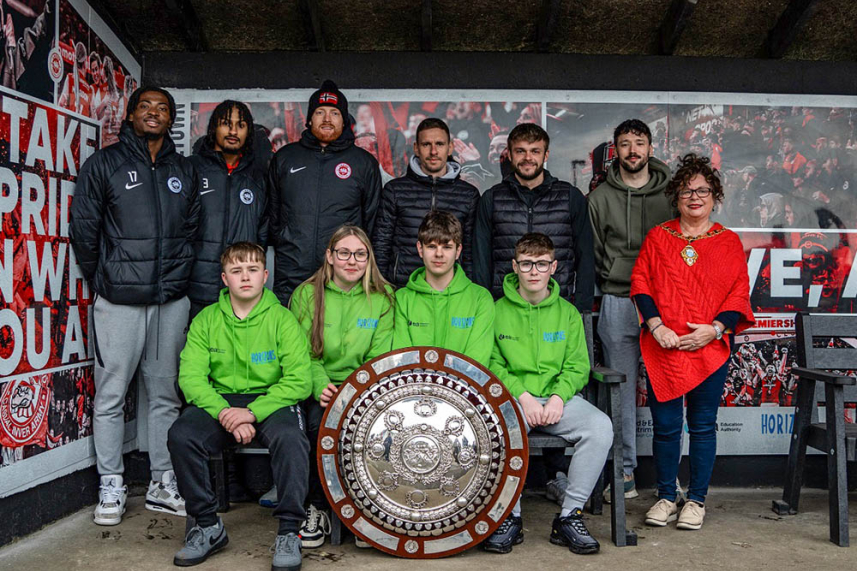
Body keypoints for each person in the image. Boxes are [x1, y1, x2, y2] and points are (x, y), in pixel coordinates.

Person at [70, 86, 200, 525]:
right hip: (120, 301)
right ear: (130, 114)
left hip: (169, 302)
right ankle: (111, 482)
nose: (154, 113)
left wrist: (177, 281)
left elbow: (192, 232)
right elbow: (85, 232)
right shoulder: (104, 164)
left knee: (165, 395)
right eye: (145, 106)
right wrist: (105, 280)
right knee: (111, 395)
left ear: (171, 119)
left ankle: (163, 481)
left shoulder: (182, 169)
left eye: (162, 108)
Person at [168, 242, 311, 569]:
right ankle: (207, 525)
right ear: (224, 278)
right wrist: (225, 413)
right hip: (221, 401)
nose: (244, 277)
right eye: (236, 271)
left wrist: (251, 412)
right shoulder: (206, 320)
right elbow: (190, 378)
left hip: (272, 399)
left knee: (292, 440)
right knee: (182, 435)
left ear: (265, 275)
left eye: (251, 270)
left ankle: (290, 531)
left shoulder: (283, 320)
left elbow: (300, 380)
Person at [631, 154, 753, 531]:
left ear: (714, 195)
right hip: (663, 348)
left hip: (708, 350)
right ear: (676, 196)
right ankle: (667, 496)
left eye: (702, 190)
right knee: (666, 428)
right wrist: (656, 326)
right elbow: (641, 283)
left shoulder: (728, 241)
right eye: (686, 190)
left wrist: (714, 330)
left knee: (703, 426)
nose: (694, 196)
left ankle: (696, 500)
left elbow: (738, 293)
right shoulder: (659, 237)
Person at [485, 233, 612, 555]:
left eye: (541, 264)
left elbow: (578, 366)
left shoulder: (567, 313)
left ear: (553, 267)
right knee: (499, 428)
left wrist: (557, 398)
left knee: (600, 428)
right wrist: (523, 397)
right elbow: (492, 363)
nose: (533, 271)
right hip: (515, 399)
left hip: (561, 401)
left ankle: (570, 516)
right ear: (514, 266)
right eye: (526, 264)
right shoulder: (495, 310)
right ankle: (508, 517)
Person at [288, 225, 394, 548]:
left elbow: (380, 357)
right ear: (330, 257)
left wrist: (355, 393)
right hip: (317, 386)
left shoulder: (383, 298)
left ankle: (365, 510)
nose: (352, 260)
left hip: (364, 390)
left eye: (360, 254)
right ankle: (318, 508)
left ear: (368, 258)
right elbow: (301, 354)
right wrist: (320, 384)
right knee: (318, 427)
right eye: (344, 253)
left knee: (377, 431)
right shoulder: (307, 295)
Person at [587, 119, 673, 500]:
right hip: (618, 300)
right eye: (625, 144)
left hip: (665, 305)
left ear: (650, 149)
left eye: (640, 143)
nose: (632, 150)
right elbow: (592, 252)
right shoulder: (600, 198)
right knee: (618, 395)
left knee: (667, 392)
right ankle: (623, 474)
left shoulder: (672, 195)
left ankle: (670, 479)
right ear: (615, 150)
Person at [267, 79, 381, 304]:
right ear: (310, 118)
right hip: (291, 275)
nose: (327, 119)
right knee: (290, 338)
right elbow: (273, 215)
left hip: (342, 277)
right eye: (320, 112)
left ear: (345, 120)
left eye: (334, 113)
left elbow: (372, 222)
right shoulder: (285, 157)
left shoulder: (363, 163)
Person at [473, 123, 594, 314]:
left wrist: (580, 308)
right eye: (520, 151)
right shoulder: (492, 199)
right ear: (510, 155)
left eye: (535, 151)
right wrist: (485, 308)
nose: (528, 158)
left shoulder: (571, 197)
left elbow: (586, 257)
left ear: (545, 155)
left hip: (558, 308)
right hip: (504, 309)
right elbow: (481, 261)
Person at [372, 117, 480, 288]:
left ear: (450, 147)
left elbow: (469, 251)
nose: (433, 151)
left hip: (451, 291)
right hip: (401, 287)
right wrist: (382, 287)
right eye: (426, 144)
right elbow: (381, 245)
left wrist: (467, 288)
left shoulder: (468, 194)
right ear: (416, 148)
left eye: (440, 144)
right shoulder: (395, 190)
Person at [188, 100, 268, 319]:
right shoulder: (190, 168)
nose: (233, 131)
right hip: (195, 291)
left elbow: (262, 236)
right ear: (214, 127)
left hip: (241, 295)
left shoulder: (257, 179)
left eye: (240, 125)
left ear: (248, 132)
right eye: (226, 124)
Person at [393, 210, 494, 366]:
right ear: (420, 249)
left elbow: (476, 363)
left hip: (463, 389)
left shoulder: (481, 298)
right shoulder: (402, 298)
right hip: (414, 388)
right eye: (432, 246)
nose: (439, 254)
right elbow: (401, 360)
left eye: (447, 247)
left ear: (458, 251)